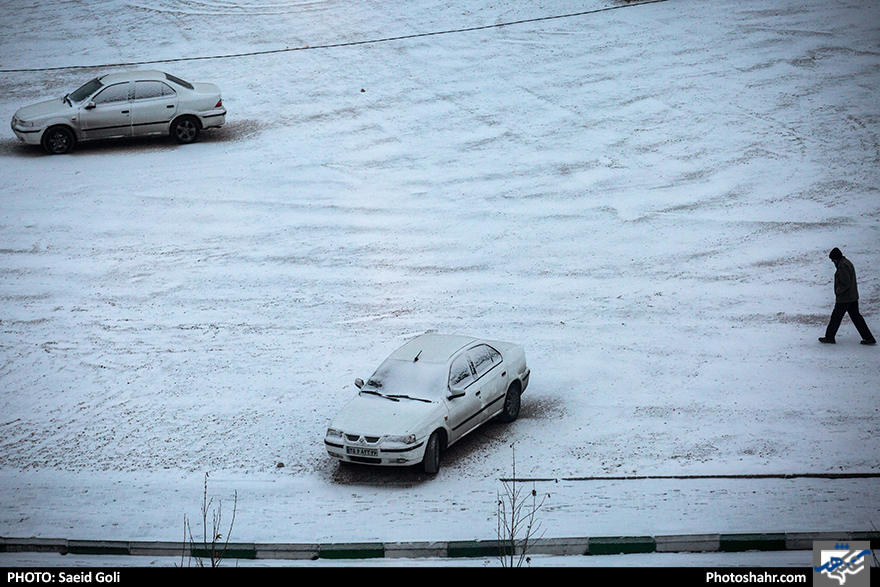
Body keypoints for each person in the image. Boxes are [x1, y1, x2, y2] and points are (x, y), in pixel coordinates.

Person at [819, 247, 876, 345]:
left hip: (845, 299)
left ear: (836, 258)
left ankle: (829, 337)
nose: (832, 261)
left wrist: (838, 291)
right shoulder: (846, 263)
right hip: (852, 297)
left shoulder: (842, 266)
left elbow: (845, 283)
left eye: (833, 259)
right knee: (856, 318)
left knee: (836, 318)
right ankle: (868, 337)